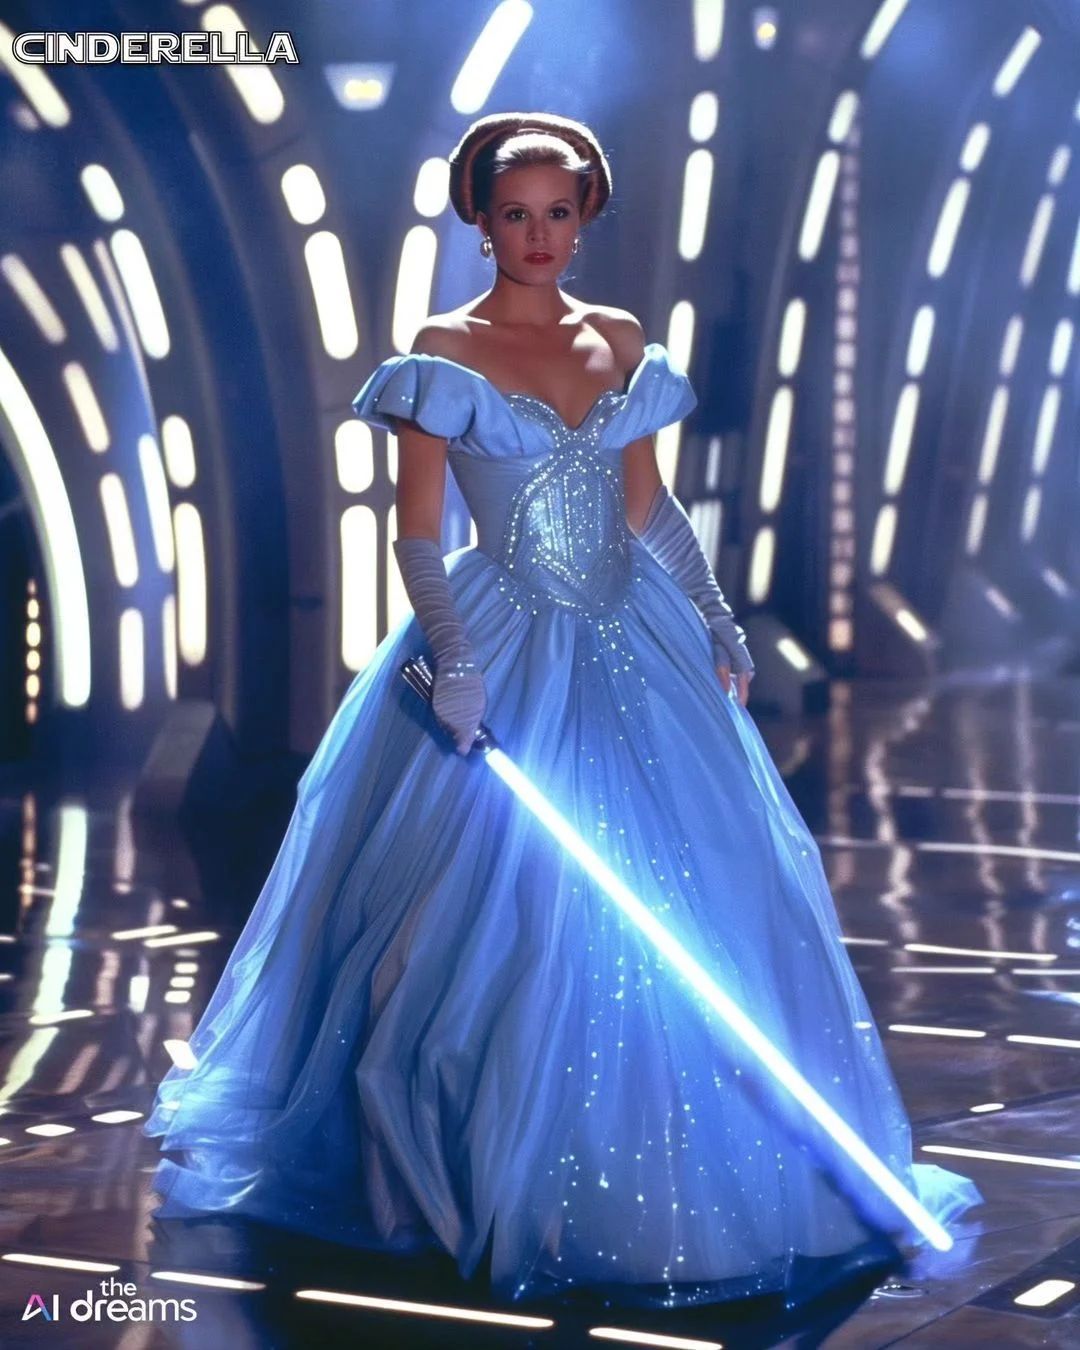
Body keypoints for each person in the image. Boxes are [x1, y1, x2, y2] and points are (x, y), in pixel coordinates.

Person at [143, 111, 982, 1310]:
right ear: (480, 220)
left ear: (585, 218)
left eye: (557, 213)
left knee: (698, 891)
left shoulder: (621, 338)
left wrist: (715, 614)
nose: (537, 236)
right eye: (514, 214)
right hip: (500, 634)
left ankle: (685, 1165)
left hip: (634, 635)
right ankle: (494, 1167)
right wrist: (455, 659)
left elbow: (647, 505)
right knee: (496, 912)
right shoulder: (443, 351)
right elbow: (417, 533)